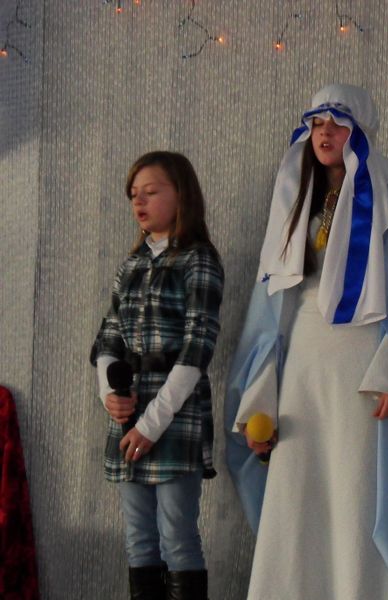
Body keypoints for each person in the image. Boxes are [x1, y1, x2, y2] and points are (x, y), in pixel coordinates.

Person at [225, 84, 388, 600]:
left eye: (337, 123)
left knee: (358, 492)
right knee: (300, 496)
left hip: (363, 372)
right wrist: (261, 395)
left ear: (361, 131)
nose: (324, 133)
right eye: (316, 123)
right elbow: (271, 308)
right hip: (304, 372)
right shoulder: (293, 203)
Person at [90, 151, 224, 600]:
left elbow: (196, 349)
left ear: (181, 195)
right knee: (138, 538)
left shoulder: (198, 261)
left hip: (174, 415)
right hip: (130, 415)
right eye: (133, 195)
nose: (139, 202)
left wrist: (152, 424)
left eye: (150, 192)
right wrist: (110, 395)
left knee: (177, 536)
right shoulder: (131, 266)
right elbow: (108, 340)